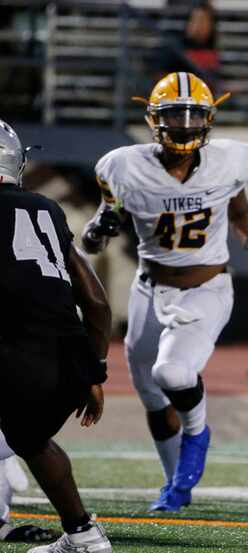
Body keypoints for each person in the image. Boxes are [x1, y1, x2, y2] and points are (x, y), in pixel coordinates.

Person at [82, 72, 248, 512]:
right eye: (174, 114)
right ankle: (175, 486)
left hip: (206, 289)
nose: (184, 124)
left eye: (193, 114)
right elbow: (94, 238)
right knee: (150, 393)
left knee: (174, 375)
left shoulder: (227, 161)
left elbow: (239, 206)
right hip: (150, 290)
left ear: (208, 119)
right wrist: (97, 230)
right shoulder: (124, 166)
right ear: (153, 119)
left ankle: (198, 434)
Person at [0, 119, 113, 552]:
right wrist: (94, 374)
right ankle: (84, 535)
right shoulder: (47, 209)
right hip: (67, 367)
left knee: (21, 435)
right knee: (29, 438)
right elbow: (98, 304)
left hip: (17, 362)